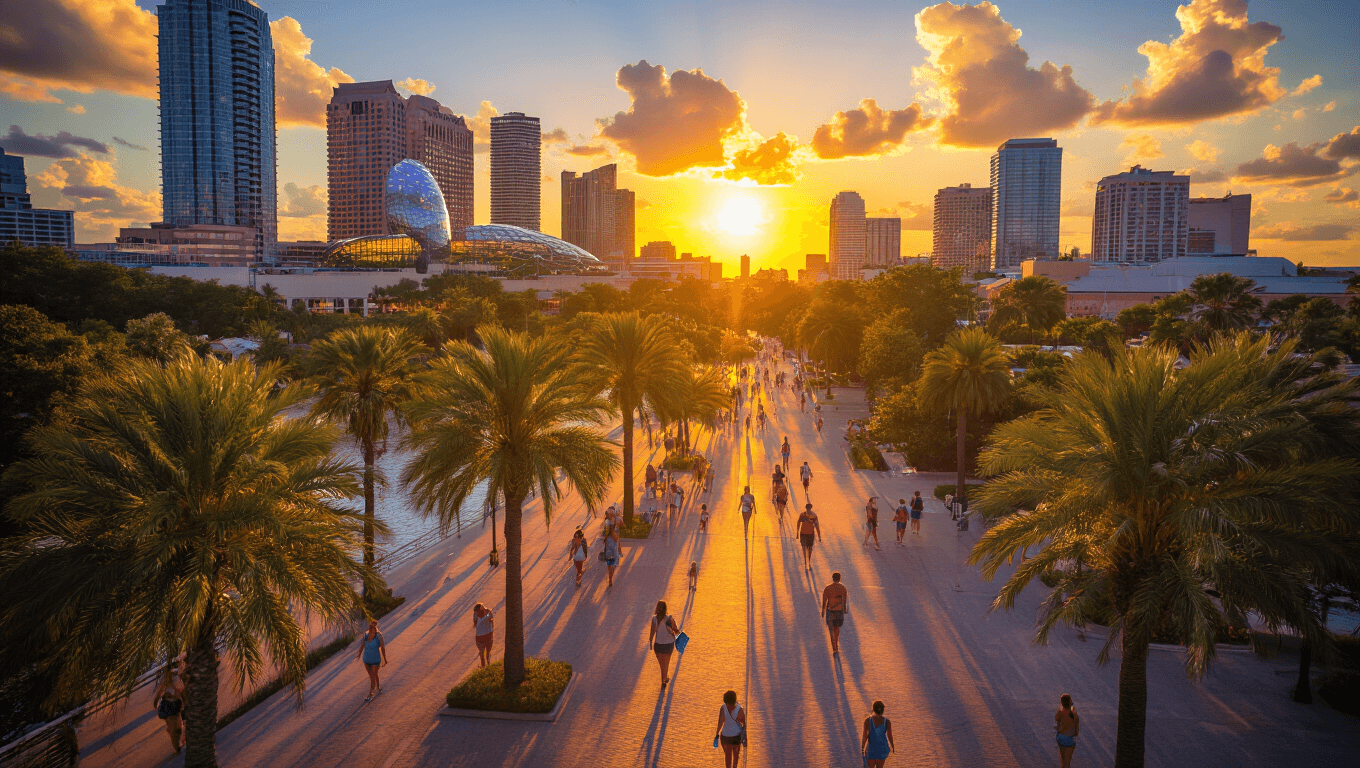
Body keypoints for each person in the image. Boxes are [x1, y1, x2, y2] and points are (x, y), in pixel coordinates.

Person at [647, 600, 681, 689]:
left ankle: (664, 679)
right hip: (668, 645)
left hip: (657, 646)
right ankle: (663, 681)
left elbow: (652, 632)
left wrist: (650, 642)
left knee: (662, 665)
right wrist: (678, 636)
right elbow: (676, 630)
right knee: (665, 665)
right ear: (665, 608)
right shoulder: (669, 618)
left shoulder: (654, 619)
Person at [153, 671, 185, 754]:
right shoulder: (171, 679)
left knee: (176, 727)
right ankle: (178, 747)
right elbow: (181, 690)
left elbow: (180, 690)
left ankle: (179, 746)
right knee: (176, 728)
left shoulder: (171, 679)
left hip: (171, 706)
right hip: (170, 706)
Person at [356, 619, 388, 701]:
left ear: (376, 628)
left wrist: (385, 659)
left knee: (373, 675)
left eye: (373, 627)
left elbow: (383, 648)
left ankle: (370, 693)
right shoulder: (366, 635)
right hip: (366, 659)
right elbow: (362, 645)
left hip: (375, 659)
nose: (371, 629)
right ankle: (377, 687)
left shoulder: (379, 636)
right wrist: (359, 654)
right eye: (371, 627)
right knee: (372, 675)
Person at [715, 690, 747, 768]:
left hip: (725, 736)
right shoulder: (740, 709)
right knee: (736, 757)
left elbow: (720, 722)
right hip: (737, 736)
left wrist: (717, 733)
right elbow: (743, 722)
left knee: (727, 756)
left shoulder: (723, 708)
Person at [861, 700, 895, 767]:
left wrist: (862, 746)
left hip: (871, 749)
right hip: (883, 749)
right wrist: (892, 745)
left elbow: (865, 736)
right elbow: (889, 735)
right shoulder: (887, 722)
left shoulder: (867, 721)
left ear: (873, 709)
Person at [821, 572, 848, 655]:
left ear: (832, 578)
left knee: (831, 630)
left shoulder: (827, 588)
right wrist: (844, 609)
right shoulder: (843, 588)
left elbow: (824, 601)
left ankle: (834, 648)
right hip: (839, 612)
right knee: (837, 629)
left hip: (830, 612)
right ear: (839, 578)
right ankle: (836, 646)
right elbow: (844, 600)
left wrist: (823, 611)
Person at [1055, 693, 1080, 767]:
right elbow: (1076, 732)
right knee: (1068, 762)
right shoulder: (1074, 714)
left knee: (1062, 760)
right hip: (1070, 739)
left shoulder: (1060, 712)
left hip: (1061, 737)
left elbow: (1057, 720)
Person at [796, 503, 821, 570]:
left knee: (806, 548)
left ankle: (806, 560)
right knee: (808, 548)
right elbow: (817, 526)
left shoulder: (804, 515)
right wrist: (819, 536)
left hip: (805, 533)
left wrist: (797, 533)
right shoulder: (813, 515)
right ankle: (807, 561)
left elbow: (798, 523)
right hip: (808, 534)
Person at [472, 603, 494, 668]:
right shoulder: (475, 615)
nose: (477, 614)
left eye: (479, 612)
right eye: (476, 612)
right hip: (480, 638)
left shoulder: (488, 612)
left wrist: (492, 630)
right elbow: (475, 623)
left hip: (488, 636)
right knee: (482, 654)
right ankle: (484, 667)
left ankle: (488, 666)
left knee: (487, 653)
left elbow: (492, 621)